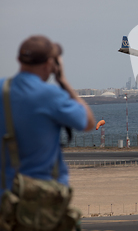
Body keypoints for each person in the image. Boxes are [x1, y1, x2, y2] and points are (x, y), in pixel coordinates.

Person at [0, 35, 96, 198]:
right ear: (51, 64)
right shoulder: (50, 95)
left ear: (18, 59)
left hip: (5, 198)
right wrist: (63, 81)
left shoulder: (2, 89)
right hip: (44, 198)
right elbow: (88, 123)